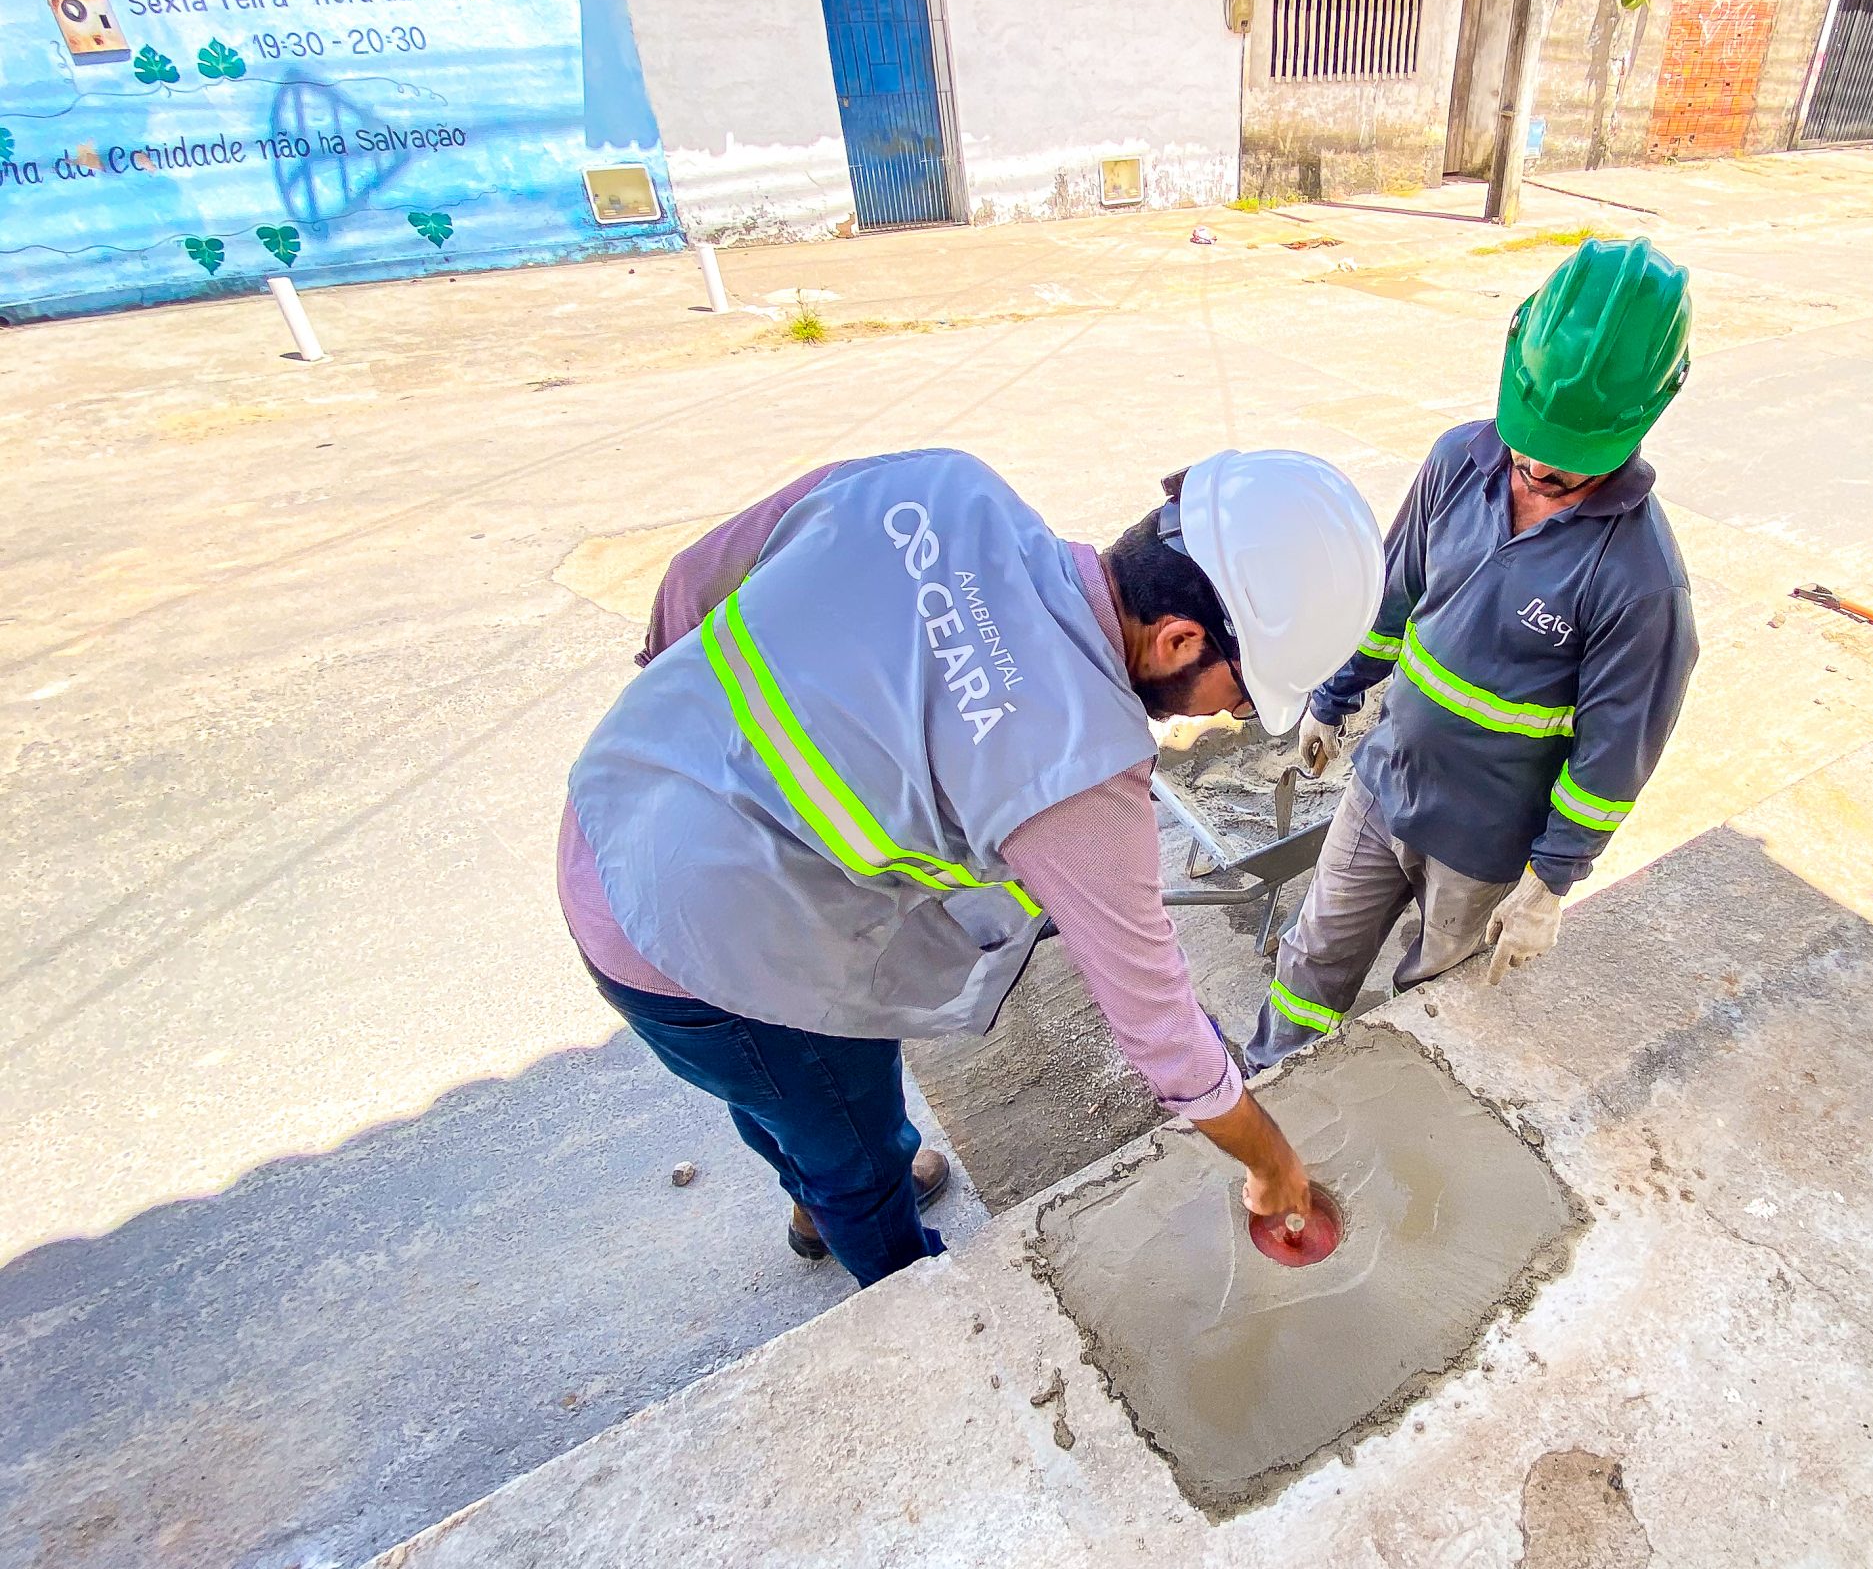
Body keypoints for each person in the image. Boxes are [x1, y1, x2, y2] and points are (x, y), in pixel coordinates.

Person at [558, 447, 1384, 1284]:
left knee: (785, 1096)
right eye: (1242, 696)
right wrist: (1272, 1163)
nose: (1231, 717)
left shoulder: (938, 488)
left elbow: (692, 582)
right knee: (834, 1120)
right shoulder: (1078, 771)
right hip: (691, 945)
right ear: (1180, 640)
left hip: (612, 800)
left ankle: (819, 1183)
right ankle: (891, 1263)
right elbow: (1163, 1034)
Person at [1243, 236, 1699, 1071]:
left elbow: (1614, 757)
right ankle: (1270, 1081)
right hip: (1384, 788)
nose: (1527, 471)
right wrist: (1337, 696)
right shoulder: (1462, 458)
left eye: (1560, 474)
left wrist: (1552, 881)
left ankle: (1400, 1119)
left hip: (1486, 847)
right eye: (1523, 443)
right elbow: (1394, 594)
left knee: (1434, 1008)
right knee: (1313, 963)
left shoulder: (1642, 583)